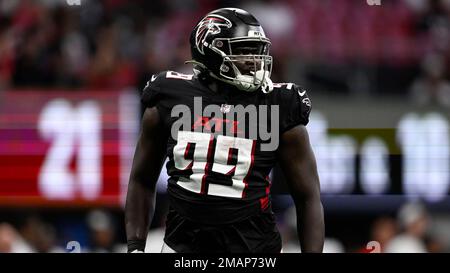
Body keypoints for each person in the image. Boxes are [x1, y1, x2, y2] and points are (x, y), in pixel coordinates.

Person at [125, 7, 324, 253]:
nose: (255, 61)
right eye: (243, 51)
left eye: (258, 51)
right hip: (183, 248)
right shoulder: (169, 95)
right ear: (210, 51)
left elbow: (308, 196)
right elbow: (142, 180)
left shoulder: (279, 103)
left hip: (254, 251)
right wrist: (135, 247)